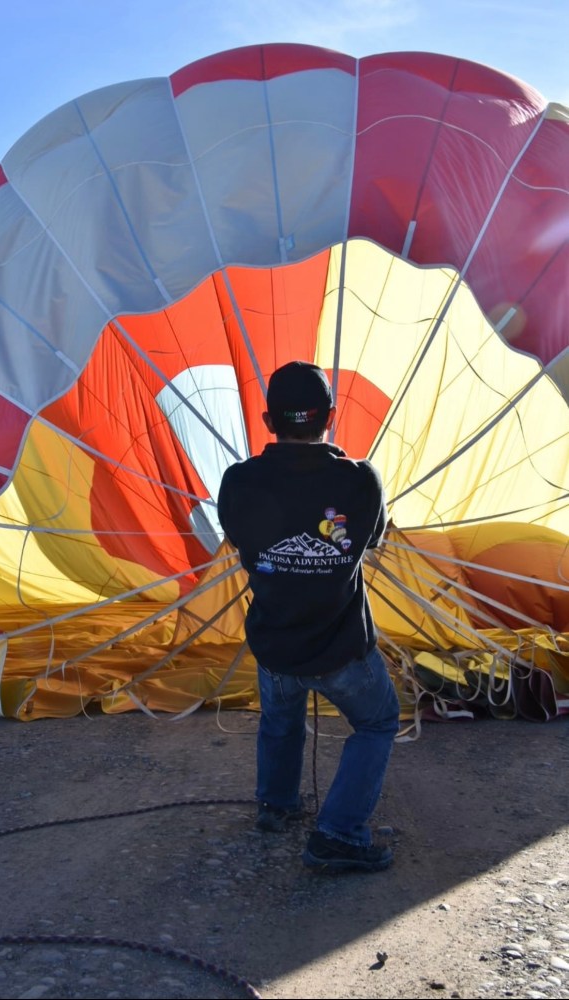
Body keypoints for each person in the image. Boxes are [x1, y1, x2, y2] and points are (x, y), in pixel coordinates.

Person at [217, 360, 399, 872]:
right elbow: (373, 540)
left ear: (268, 422)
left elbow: (238, 540)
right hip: (341, 647)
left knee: (281, 717)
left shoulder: (239, 481)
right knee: (378, 721)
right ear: (331, 417)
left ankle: (276, 806)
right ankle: (339, 834)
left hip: (275, 641)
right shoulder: (361, 481)